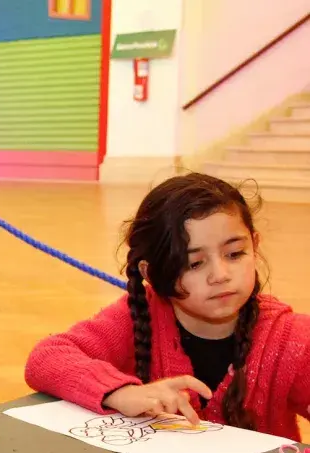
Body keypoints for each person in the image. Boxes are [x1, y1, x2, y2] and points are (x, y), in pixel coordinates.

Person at [25, 173, 310, 439]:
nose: (221, 275)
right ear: (152, 273)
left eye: (235, 254)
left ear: (254, 246)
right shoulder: (138, 316)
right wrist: (120, 391)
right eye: (194, 263)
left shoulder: (292, 338)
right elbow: (47, 358)